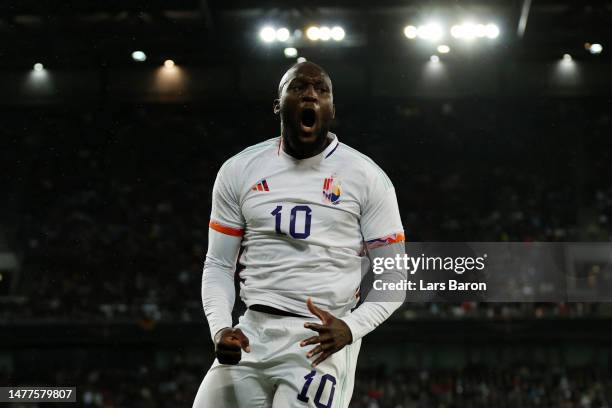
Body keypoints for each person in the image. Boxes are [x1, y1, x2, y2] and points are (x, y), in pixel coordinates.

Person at [193, 61, 406, 408]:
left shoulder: (366, 177)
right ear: (278, 104)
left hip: (321, 340)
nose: (310, 93)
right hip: (251, 332)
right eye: (298, 87)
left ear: (331, 109)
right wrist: (220, 327)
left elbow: (395, 277)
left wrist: (351, 329)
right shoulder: (239, 170)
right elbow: (218, 263)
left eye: (321, 90)